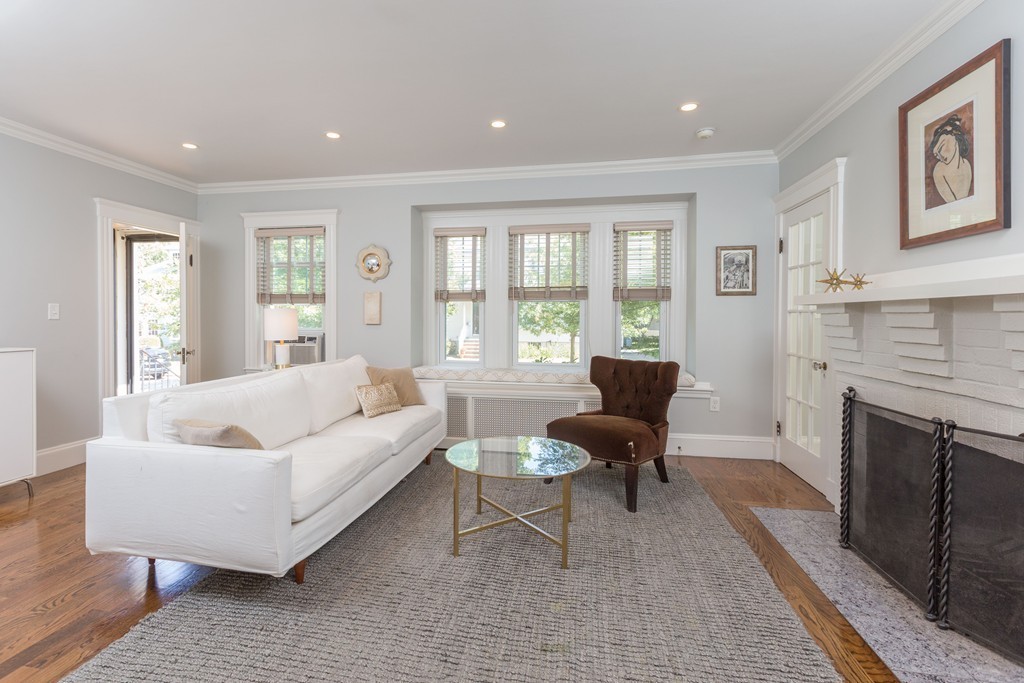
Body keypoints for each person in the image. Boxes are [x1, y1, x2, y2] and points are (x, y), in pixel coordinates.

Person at [929, 114, 972, 204]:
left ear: (955, 139)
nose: (939, 155)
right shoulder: (939, 170)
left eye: (941, 147)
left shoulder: (966, 165)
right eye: (936, 154)